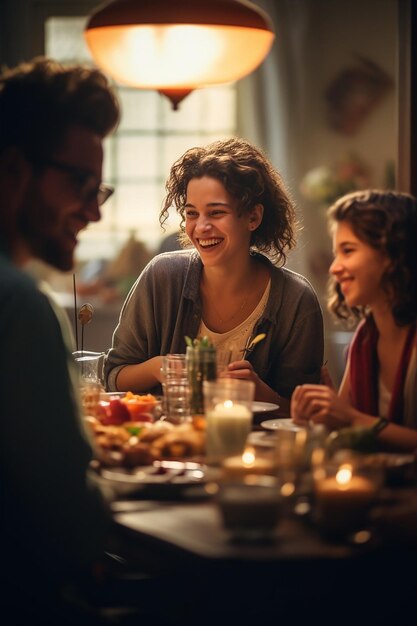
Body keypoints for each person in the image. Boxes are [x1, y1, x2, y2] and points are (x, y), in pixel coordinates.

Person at [0, 57, 120, 623]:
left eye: (101, 190)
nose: (94, 211)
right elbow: (70, 524)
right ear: (14, 169)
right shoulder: (20, 305)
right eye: (79, 183)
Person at [104, 137, 324, 415]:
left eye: (216, 212)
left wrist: (259, 392)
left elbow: (307, 415)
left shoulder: (295, 300)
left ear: (253, 217)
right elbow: (113, 375)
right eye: (192, 213)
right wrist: (163, 368)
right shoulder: (161, 277)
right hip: (168, 447)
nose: (201, 227)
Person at [291, 189, 417, 452]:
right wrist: (319, 415)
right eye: (337, 253)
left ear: (392, 255)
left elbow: (354, 420)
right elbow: (346, 426)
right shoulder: (366, 338)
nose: (334, 268)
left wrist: (349, 417)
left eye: (348, 251)